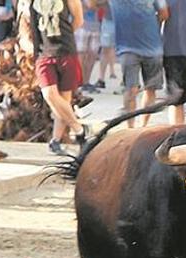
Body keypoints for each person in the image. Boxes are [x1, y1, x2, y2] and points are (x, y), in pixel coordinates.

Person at [22, 0, 90, 155]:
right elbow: (26, 22)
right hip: (43, 53)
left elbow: (78, 20)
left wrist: (62, 38)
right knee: (49, 95)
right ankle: (80, 131)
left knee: (64, 101)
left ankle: (55, 141)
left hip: (66, 51)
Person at [110, 0, 168, 128]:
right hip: (127, 48)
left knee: (151, 88)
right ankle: (130, 127)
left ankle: (142, 125)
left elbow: (164, 13)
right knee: (131, 88)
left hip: (152, 47)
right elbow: (91, 4)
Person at [76, 0, 101, 91]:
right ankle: (80, 82)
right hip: (81, 25)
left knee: (92, 55)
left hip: (95, 24)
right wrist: (97, 5)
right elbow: (91, 5)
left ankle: (86, 82)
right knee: (81, 55)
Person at [96, 1, 117, 88]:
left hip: (125, 20)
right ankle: (101, 79)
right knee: (106, 48)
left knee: (127, 50)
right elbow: (97, 3)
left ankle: (127, 81)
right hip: (109, 21)